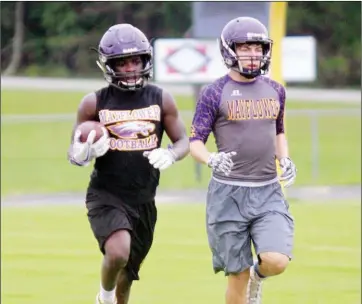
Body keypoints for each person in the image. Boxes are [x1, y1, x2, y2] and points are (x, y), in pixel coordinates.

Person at [67, 23, 189, 304]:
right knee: (118, 252)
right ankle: (104, 297)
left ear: (146, 60)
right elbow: (73, 152)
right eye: (122, 63)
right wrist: (83, 153)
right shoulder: (93, 103)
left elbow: (183, 140)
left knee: (128, 275)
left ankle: (115, 297)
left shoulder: (161, 98)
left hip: (144, 199)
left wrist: (171, 153)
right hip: (107, 194)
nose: (131, 68)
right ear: (109, 65)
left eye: (136, 61)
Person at [189, 17, 297, 304]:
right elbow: (194, 142)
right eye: (245, 47)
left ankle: (257, 277)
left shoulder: (276, 90)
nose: (253, 54)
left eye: (258, 47)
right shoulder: (213, 93)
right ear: (229, 51)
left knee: (276, 260)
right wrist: (210, 159)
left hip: (268, 190)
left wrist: (284, 159)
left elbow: (279, 130)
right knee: (236, 276)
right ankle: (247, 280)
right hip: (228, 194)